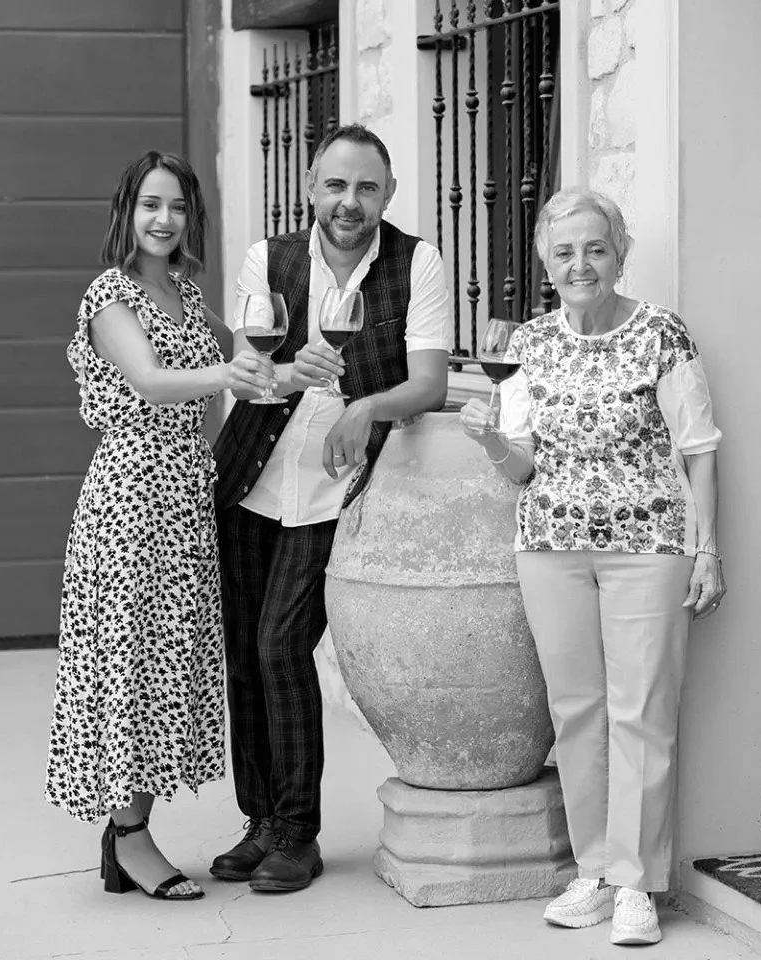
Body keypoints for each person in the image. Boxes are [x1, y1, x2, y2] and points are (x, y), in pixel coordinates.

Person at [460, 188, 725, 945]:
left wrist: (708, 550)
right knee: (577, 712)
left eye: (595, 248)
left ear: (619, 254)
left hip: (650, 545)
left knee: (642, 709)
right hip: (549, 544)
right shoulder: (527, 345)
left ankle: (638, 883)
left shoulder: (662, 334)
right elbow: (520, 467)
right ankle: (593, 873)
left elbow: (700, 449)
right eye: (565, 251)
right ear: (547, 262)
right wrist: (490, 442)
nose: (581, 264)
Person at [210, 124, 451, 892]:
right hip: (251, 476)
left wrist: (363, 404)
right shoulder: (269, 259)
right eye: (337, 186)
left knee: (282, 645)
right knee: (244, 653)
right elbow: (246, 373)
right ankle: (260, 821)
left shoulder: (418, 263)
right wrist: (286, 372)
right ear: (312, 186)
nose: (351, 203)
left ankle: (298, 833)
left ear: (388, 194)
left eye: (367, 188)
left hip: (334, 491)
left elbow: (430, 386)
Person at [45, 151, 274, 901]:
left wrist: (287, 369)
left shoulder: (182, 289)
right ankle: (129, 837)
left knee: (162, 665)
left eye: (177, 207)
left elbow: (239, 362)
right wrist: (229, 379)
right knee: (127, 665)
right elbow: (148, 379)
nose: (164, 219)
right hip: (128, 499)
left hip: (182, 499)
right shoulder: (109, 294)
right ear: (126, 211)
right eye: (151, 204)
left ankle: (129, 832)